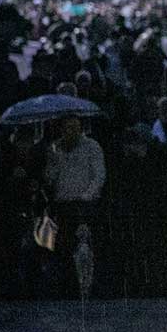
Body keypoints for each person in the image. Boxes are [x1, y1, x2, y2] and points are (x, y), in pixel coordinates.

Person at [43, 116, 106, 296]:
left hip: (84, 205)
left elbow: (99, 175)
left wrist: (87, 197)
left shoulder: (92, 146)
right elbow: (50, 178)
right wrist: (55, 162)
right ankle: (68, 289)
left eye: (75, 127)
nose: (71, 131)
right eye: (67, 127)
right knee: (63, 248)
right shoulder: (54, 148)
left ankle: (90, 289)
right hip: (63, 204)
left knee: (87, 248)